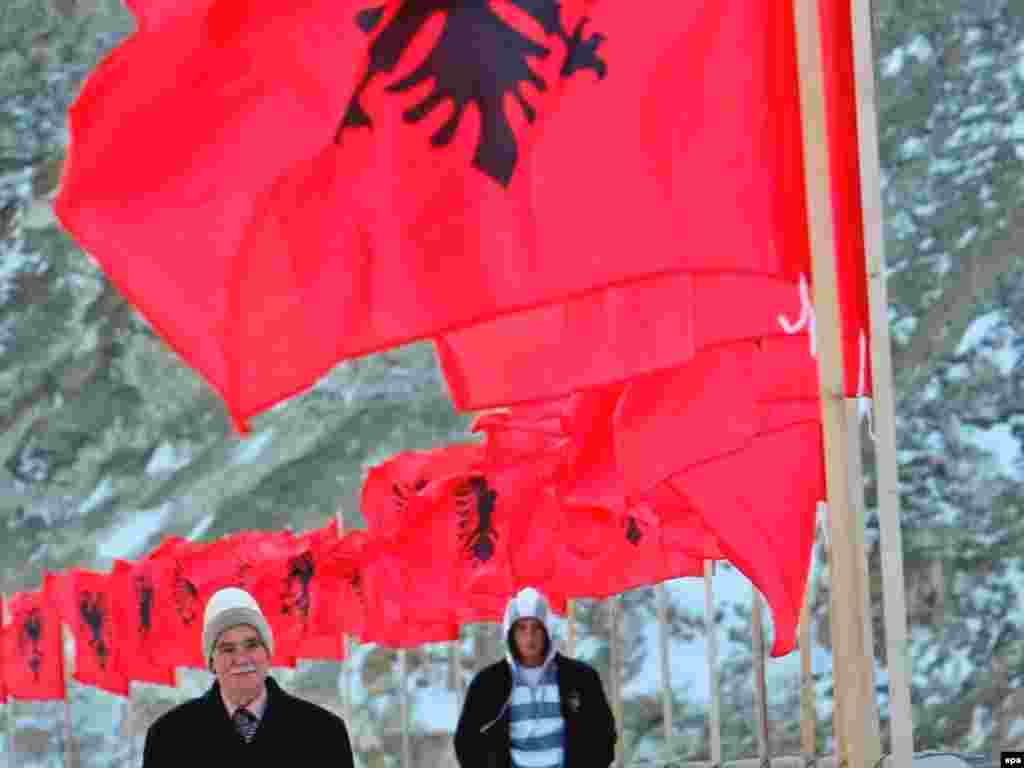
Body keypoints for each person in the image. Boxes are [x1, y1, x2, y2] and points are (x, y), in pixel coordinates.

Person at [142, 586, 354, 765]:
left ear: (267, 653)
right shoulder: (168, 737)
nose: (241, 658)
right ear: (211, 661)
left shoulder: (323, 732)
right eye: (227, 649)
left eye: (251, 645)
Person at [455, 587, 616, 768]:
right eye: (521, 628)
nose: (529, 636)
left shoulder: (581, 678)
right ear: (510, 632)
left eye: (536, 627)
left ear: (547, 630)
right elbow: (465, 742)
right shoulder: (487, 684)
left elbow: (605, 735)